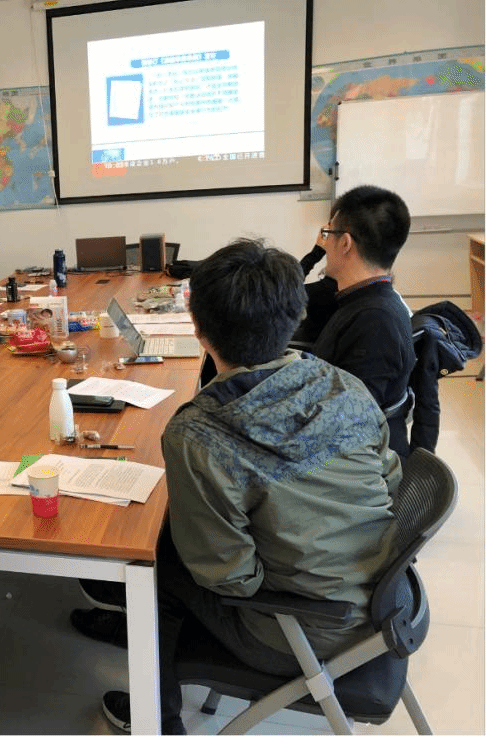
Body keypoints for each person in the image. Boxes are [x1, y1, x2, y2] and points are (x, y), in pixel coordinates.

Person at [69, 239, 400, 734]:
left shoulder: (199, 433)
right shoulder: (343, 385)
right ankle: (135, 634)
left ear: (198, 329)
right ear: (297, 314)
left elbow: (231, 579)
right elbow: (390, 478)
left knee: (156, 561)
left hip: (304, 630)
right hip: (384, 597)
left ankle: (156, 718)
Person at [312, 184, 415, 457]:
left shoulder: (375, 321)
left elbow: (350, 426)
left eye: (328, 234)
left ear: (345, 243)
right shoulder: (364, 301)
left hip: (362, 469)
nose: (325, 244)